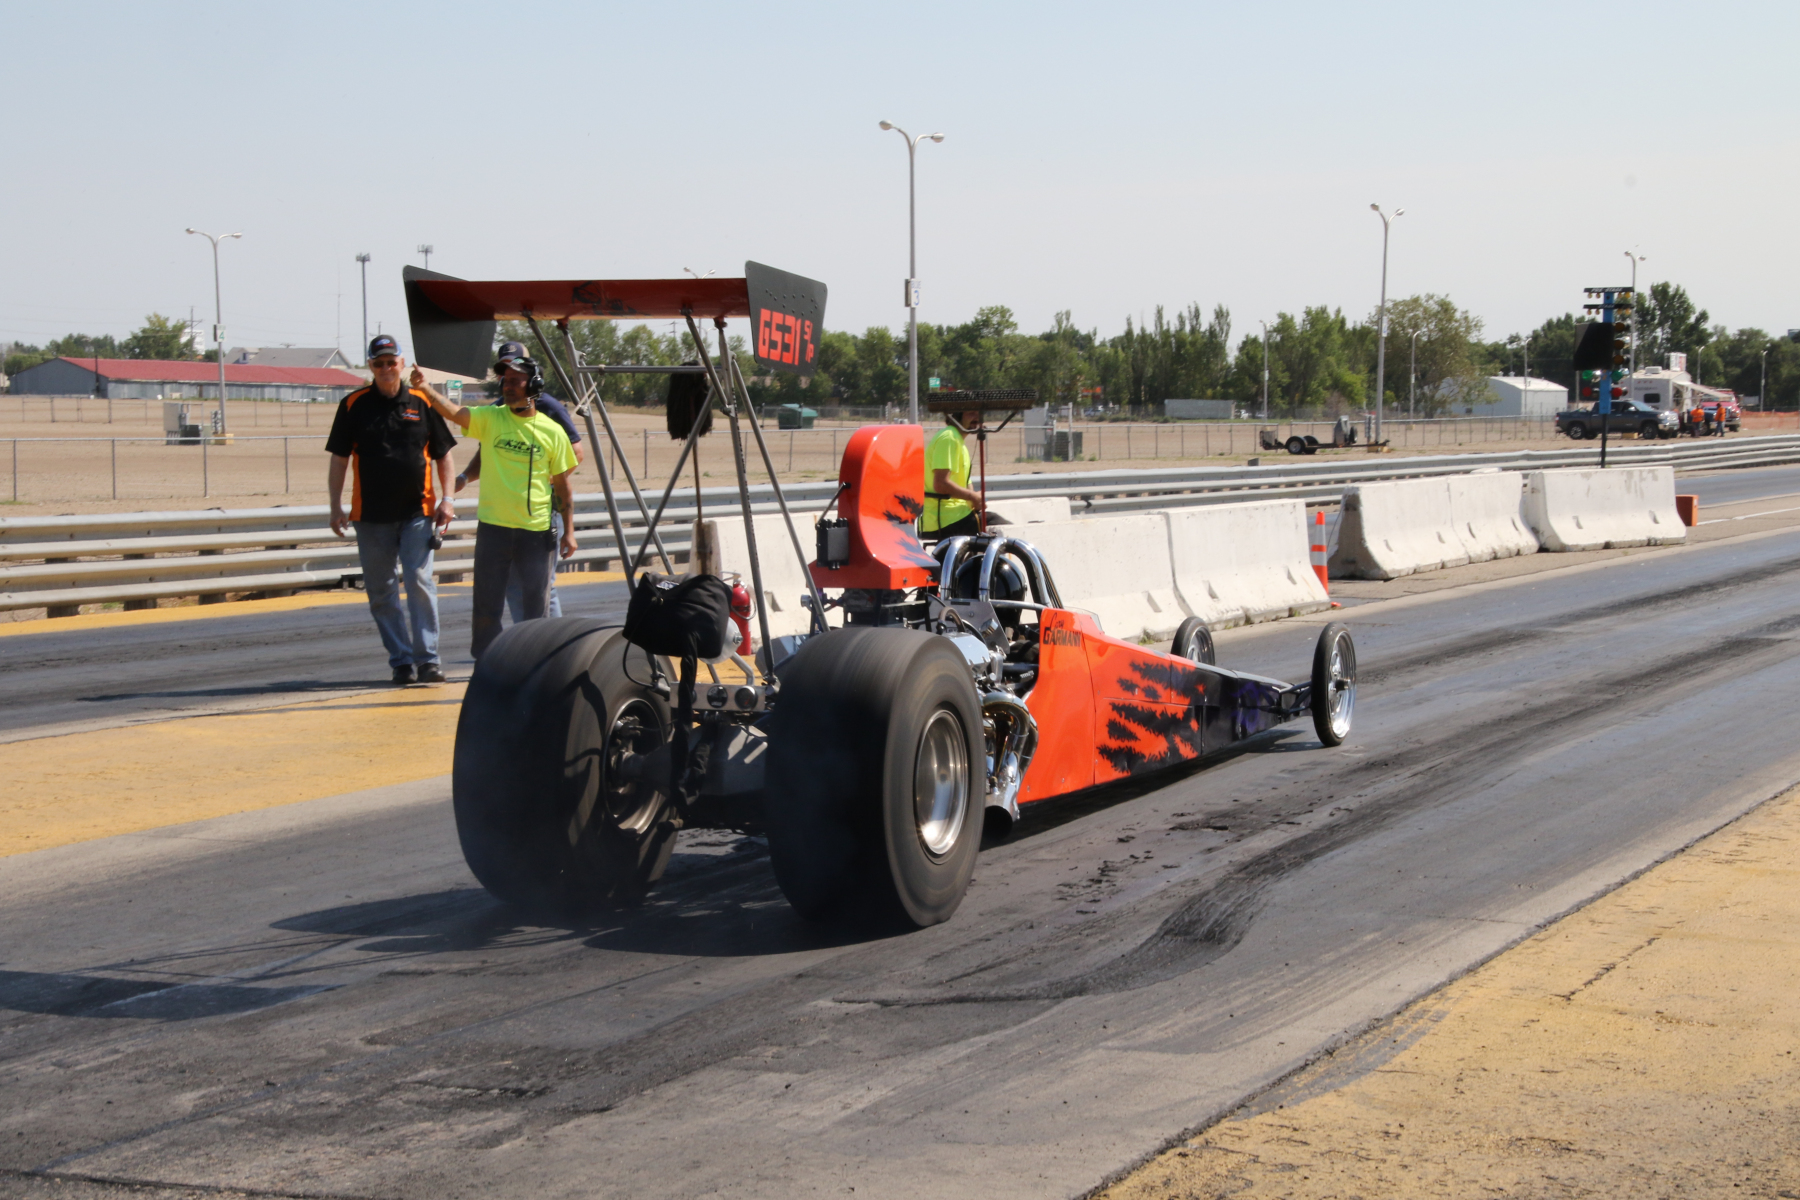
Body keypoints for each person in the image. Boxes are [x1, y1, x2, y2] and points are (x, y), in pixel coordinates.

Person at [412, 357, 578, 659]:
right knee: (486, 606)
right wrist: (424, 388)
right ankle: (486, 663)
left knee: (536, 608)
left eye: (516, 381)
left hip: (536, 532)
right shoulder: (491, 418)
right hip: (493, 529)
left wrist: (569, 532)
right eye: (505, 380)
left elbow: (563, 486)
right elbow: (454, 412)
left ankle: (534, 663)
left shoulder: (553, 432)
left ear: (534, 386)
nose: (508, 386)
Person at [326, 335, 457, 685]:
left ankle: (428, 660)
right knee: (381, 592)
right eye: (379, 363)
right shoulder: (353, 404)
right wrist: (335, 505)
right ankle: (401, 661)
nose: (386, 368)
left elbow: (444, 454)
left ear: (402, 363)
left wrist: (448, 499)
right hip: (370, 517)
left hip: (417, 512)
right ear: (371, 366)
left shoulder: (422, 401)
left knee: (419, 581)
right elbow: (339, 460)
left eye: (391, 362)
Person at [454, 340, 585, 620]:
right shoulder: (499, 409)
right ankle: (523, 638)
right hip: (504, 520)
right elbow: (486, 454)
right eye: (504, 373)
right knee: (513, 588)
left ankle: (548, 640)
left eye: (515, 373)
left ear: (532, 378)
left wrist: (543, 478)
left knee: (542, 589)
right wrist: (465, 477)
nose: (507, 380)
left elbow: (576, 453)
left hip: (541, 514)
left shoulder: (549, 407)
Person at [920, 407, 986, 541]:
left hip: (958, 514)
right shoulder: (949, 438)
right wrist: (972, 496)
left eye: (978, 413)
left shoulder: (958, 441)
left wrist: (976, 500)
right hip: (945, 518)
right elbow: (940, 484)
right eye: (971, 413)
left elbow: (966, 483)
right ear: (957, 416)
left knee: (995, 526)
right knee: (999, 528)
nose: (976, 417)